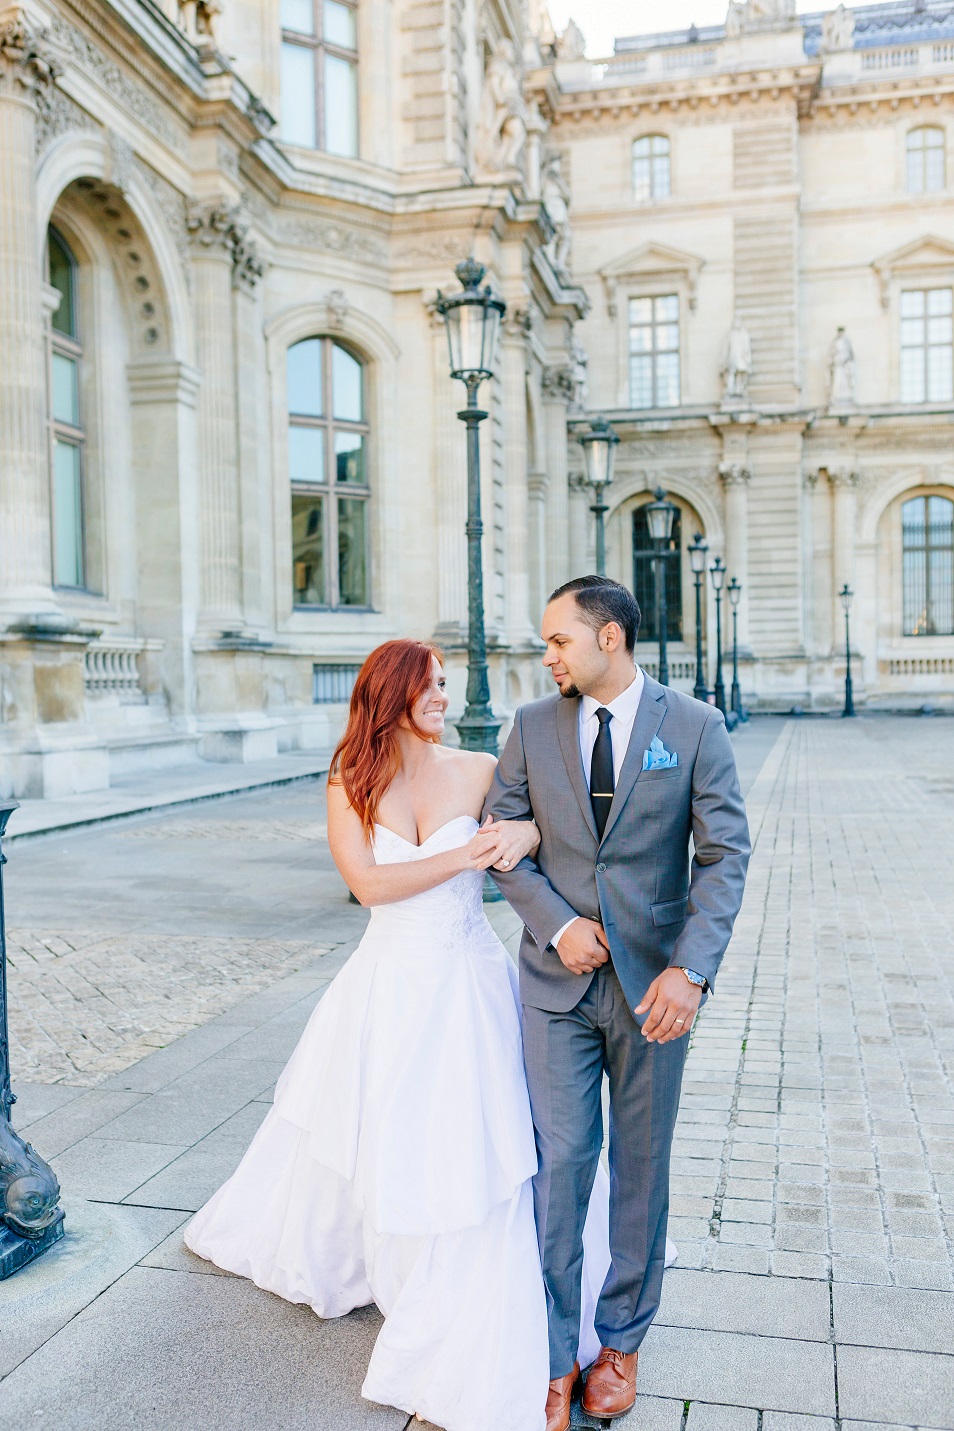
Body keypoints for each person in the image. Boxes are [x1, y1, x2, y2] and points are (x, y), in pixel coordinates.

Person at [183, 638, 611, 1431]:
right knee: (381, 1128)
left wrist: (513, 842)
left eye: (447, 683)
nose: (444, 696)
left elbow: (533, 843)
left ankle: (472, 1270)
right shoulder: (350, 781)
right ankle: (388, 1254)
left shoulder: (481, 768)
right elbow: (369, 884)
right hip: (387, 981)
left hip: (470, 979)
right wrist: (463, 859)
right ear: (393, 693)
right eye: (431, 685)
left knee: (477, 1135)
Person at [486, 576, 750, 1428]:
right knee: (561, 1162)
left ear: (610, 638)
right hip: (555, 987)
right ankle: (554, 1348)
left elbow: (725, 855)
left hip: (654, 992)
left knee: (639, 1165)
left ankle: (621, 1338)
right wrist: (557, 924)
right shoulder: (529, 727)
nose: (547, 655)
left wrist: (691, 970)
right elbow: (505, 844)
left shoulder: (697, 727)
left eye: (558, 639)